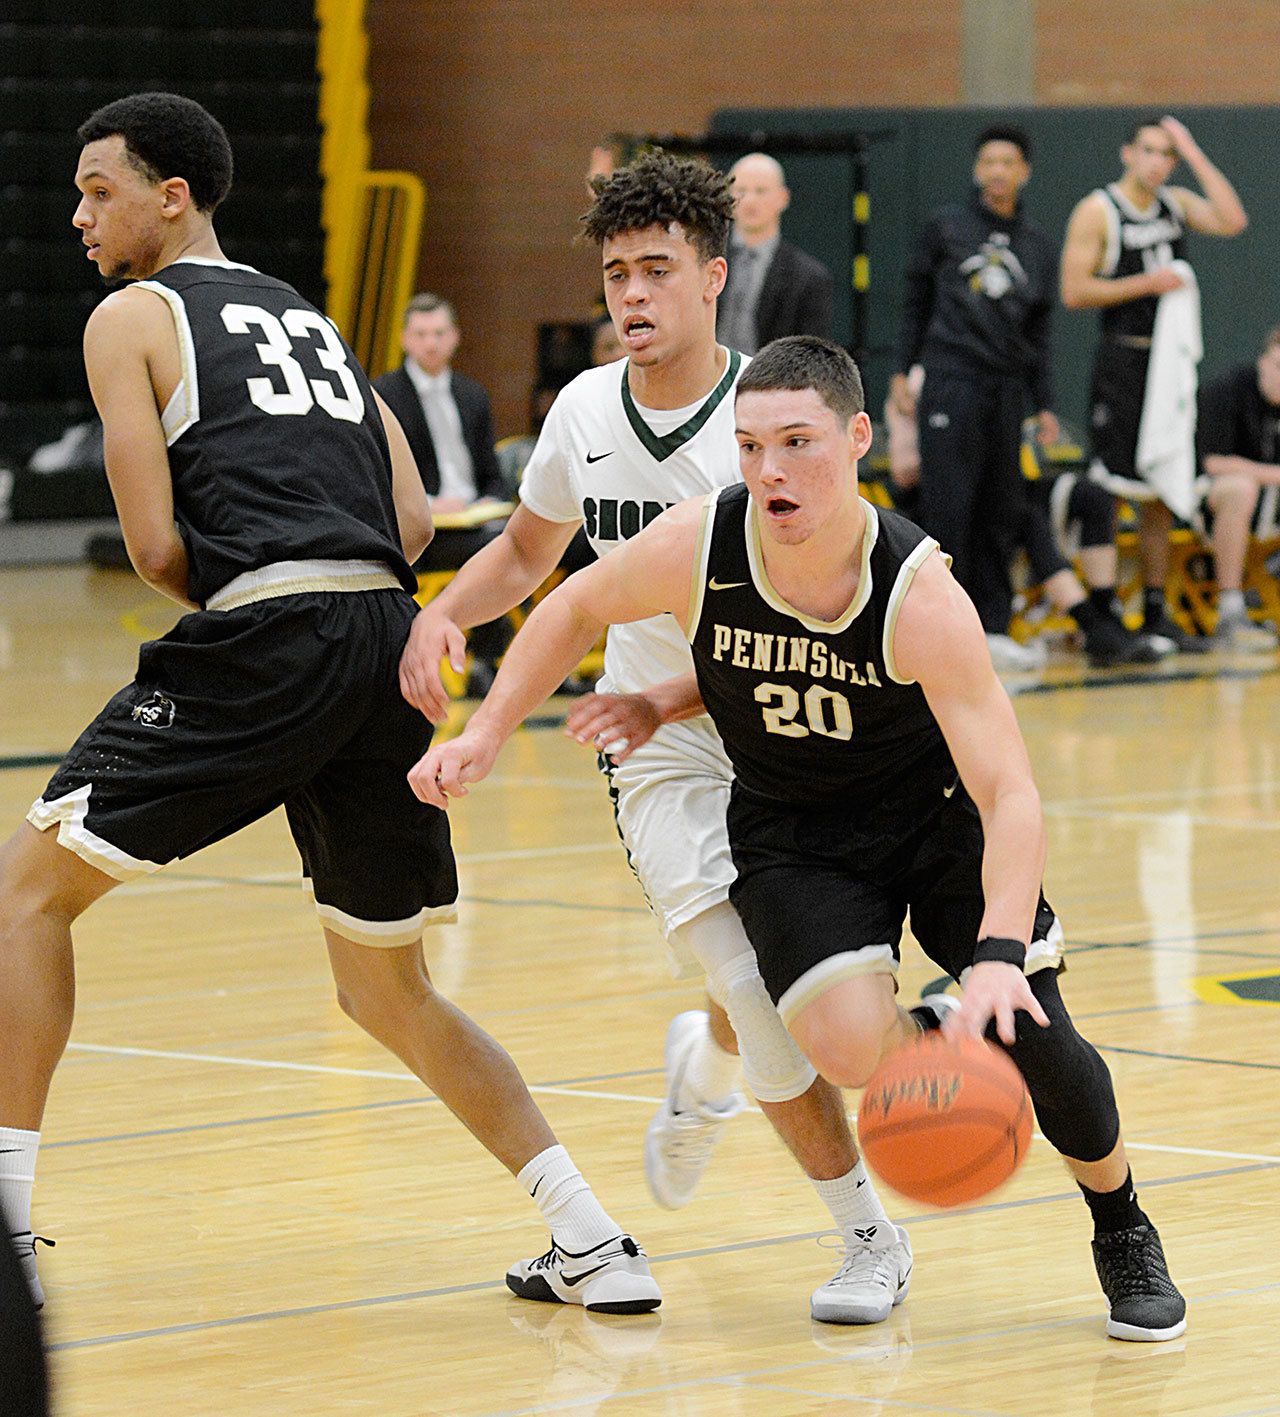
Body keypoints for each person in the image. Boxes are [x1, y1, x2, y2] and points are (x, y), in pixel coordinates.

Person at [0, 92, 658, 1319]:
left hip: (276, 631)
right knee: (384, 988)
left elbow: (150, 547)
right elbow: (412, 520)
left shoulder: (130, 317)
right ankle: (591, 1239)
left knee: (24, 895)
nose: (79, 213)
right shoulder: (302, 313)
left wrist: (260, 603)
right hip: (384, 638)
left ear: (171, 195)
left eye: (99, 189)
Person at [414, 335, 1189, 1344]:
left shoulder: (917, 592)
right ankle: (940, 1031)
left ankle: (1118, 1220)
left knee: (1035, 1029)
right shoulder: (703, 540)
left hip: (931, 819)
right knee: (841, 1045)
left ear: (857, 437)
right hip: (795, 835)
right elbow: (569, 606)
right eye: (747, 445)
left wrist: (999, 954)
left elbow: (1009, 793)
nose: (769, 470)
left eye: (796, 442)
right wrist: (488, 728)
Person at [399, 149, 919, 1325]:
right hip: (660, 750)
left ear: (710, 279)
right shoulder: (584, 408)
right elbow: (535, 554)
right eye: (615, 274)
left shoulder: (765, 428)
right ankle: (869, 1237)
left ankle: (711, 1064)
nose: (630, 296)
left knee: (789, 990)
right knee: (743, 970)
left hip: (786, 727)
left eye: (655, 271)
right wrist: (444, 608)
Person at [1061, 115, 1247, 653]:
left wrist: (1193, 150)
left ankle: (1158, 608)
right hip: (1122, 363)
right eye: (1150, 151)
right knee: (1112, 486)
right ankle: (1103, 611)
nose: (1158, 162)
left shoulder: (1176, 203)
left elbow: (1233, 219)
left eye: (1167, 154)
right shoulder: (1100, 210)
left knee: (1161, 492)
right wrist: (1149, 282)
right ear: (1127, 153)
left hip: (1168, 371)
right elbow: (1074, 290)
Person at [891, 125, 1060, 671]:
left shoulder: (1037, 244)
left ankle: (992, 627)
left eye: (1008, 162)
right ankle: (938, 630)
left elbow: (1041, 332)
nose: (997, 171)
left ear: (1025, 172)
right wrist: (901, 370)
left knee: (1001, 506)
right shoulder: (946, 227)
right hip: (950, 378)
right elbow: (914, 301)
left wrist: (1046, 403)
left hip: (1007, 387)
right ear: (976, 169)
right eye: (988, 161)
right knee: (948, 504)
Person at [886, 365, 1163, 669]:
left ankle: (1105, 610)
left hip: (1008, 486)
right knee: (1025, 518)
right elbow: (904, 474)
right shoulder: (920, 384)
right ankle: (1089, 624)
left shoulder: (1005, 373)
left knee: (1093, 496)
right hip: (950, 501)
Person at [374, 294, 514, 696]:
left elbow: (493, 472)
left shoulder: (472, 394)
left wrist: (490, 500)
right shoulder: (383, 394)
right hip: (423, 530)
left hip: (475, 520)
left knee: (519, 541)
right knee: (492, 553)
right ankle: (485, 658)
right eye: (420, 334)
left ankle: (495, 659)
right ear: (405, 339)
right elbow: (383, 477)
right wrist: (432, 504)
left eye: (438, 333)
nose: (430, 343)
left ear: (453, 338)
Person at [1197, 327, 1280, 648]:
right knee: (1240, 488)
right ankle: (1230, 609)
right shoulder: (1228, 388)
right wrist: (1272, 474)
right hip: (1209, 499)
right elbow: (1212, 463)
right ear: (1263, 361)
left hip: (1270, 502)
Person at [717, 152, 834, 354]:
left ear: (783, 198)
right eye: (741, 190)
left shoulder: (809, 277)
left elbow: (811, 356)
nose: (749, 200)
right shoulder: (704, 260)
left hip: (770, 380)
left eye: (761, 191)